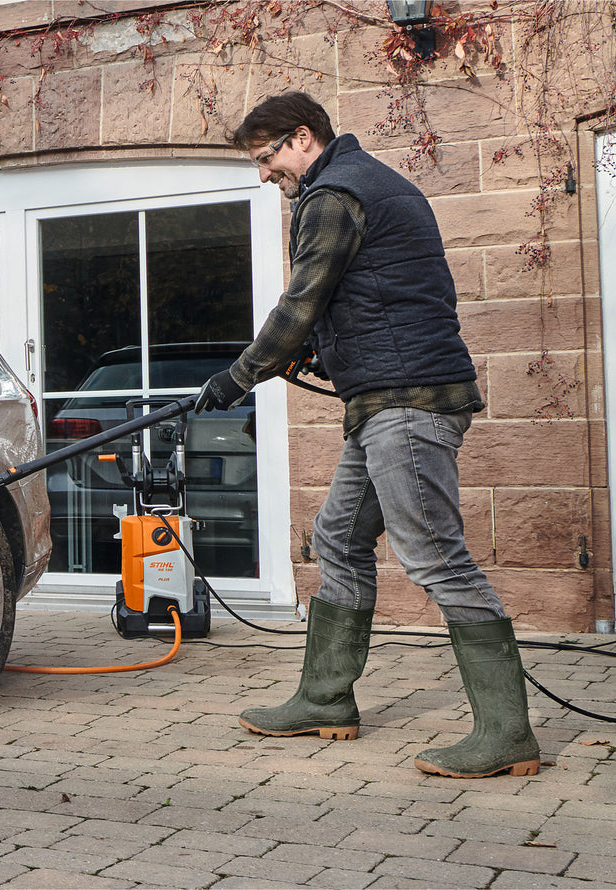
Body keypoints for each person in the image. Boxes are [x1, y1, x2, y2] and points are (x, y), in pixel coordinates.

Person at [193, 91, 540, 779]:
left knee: (435, 557)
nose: (264, 174)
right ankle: (324, 699)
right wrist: (325, 352)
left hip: (405, 404)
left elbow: (301, 301)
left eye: (266, 160)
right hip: (386, 399)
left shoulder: (334, 193)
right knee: (338, 537)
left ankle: (505, 733)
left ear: (301, 138)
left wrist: (236, 378)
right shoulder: (372, 182)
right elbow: (384, 294)